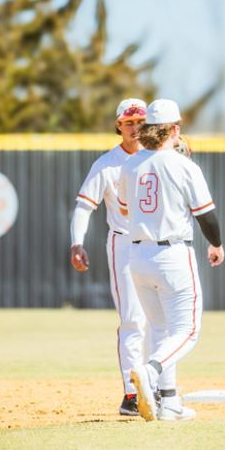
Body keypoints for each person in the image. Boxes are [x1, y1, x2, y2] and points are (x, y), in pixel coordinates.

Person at [118, 98, 225, 422]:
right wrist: (216, 244)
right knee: (187, 331)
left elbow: (124, 209)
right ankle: (150, 373)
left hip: (137, 255)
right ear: (174, 129)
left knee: (161, 330)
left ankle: (169, 402)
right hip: (172, 254)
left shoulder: (130, 164)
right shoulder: (184, 166)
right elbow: (206, 215)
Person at [69, 98, 148, 416]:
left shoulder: (158, 159)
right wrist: (77, 242)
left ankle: (158, 386)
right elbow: (84, 206)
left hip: (157, 245)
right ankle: (132, 394)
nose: (135, 127)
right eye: (129, 122)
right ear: (118, 125)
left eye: (140, 121)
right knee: (132, 319)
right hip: (124, 243)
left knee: (161, 320)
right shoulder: (106, 164)